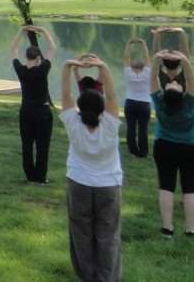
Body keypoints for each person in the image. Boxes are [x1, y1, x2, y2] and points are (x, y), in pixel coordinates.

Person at [59, 54, 122, 281]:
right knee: (108, 235)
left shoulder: (73, 123)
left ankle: (88, 276)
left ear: (79, 105)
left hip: (79, 184)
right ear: (102, 106)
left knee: (81, 234)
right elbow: (113, 94)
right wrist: (102, 66)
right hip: (108, 186)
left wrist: (68, 66)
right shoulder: (111, 124)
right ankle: (107, 277)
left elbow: (65, 93)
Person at [149, 49, 194, 238]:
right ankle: (191, 229)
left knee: (166, 186)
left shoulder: (160, 103)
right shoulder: (189, 103)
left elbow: (152, 78)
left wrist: (157, 59)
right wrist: (184, 60)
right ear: (181, 94)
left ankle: (167, 228)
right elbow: (191, 80)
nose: (173, 82)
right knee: (190, 188)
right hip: (189, 148)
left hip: (164, 146)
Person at [9, 25, 57, 184]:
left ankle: (30, 176)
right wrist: (43, 31)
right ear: (38, 58)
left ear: (26, 57)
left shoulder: (21, 71)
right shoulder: (42, 69)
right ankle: (40, 178)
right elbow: (52, 48)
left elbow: (13, 49)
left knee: (27, 145)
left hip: (26, 111)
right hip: (42, 112)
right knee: (43, 146)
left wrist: (21, 31)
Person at [123, 37, 152, 158]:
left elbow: (126, 58)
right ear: (143, 66)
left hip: (130, 103)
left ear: (132, 65)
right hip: (144, 104)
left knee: (130, 128)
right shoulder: (147, 72)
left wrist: (129, 44)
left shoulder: (128, 72)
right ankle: (143, 152)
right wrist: (144, 44)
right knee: (143, 129)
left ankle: (133, 151)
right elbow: (147, 58)